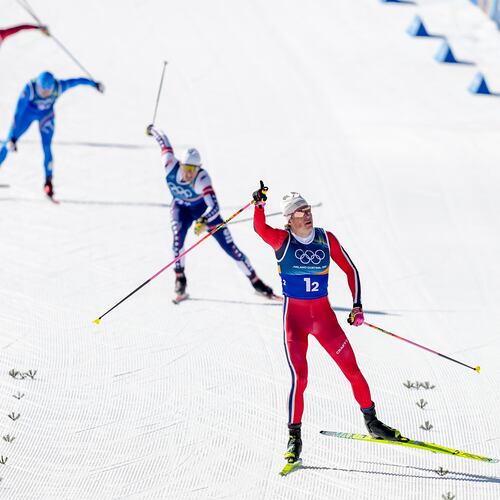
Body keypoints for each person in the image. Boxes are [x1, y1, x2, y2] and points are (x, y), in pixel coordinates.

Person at [252, 182, 401, 466]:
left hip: (324, 320)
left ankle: (372, 422)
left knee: (353, 370)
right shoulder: (281, 241)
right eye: (299, 212)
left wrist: (357, 305)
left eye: (308, 209)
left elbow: (350, 269)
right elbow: (260, 229)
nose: (307, 215)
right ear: (289, 219)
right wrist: (259, 204)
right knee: (301, 378)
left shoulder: (325, 238)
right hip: (295, 321)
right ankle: (294, 438)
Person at [146, 125, 275, 301]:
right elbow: (164, 142)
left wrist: (204, 220)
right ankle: (180, 279)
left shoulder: (202, 179)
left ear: (199, 168)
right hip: (181, 209)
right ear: (181, 165)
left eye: (193, 170)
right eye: (186, 169)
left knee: (231, 248)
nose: (189, 174)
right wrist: (152, 130)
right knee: (177, 240)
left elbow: (214, 207)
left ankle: (256, 282)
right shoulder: (169, 165)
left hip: (203, 211)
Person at [0, 71, 104, 198]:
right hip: (27, 115)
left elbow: (77, 81)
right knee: (7, 144)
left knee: (47, 147)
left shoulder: (58, 87)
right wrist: (12, 137)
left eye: (46, 91)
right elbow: (18, 113)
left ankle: (48, 182)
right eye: (40, 89)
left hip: (46, 116)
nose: (43, 93)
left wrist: (94, 84)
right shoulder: (30, 89)